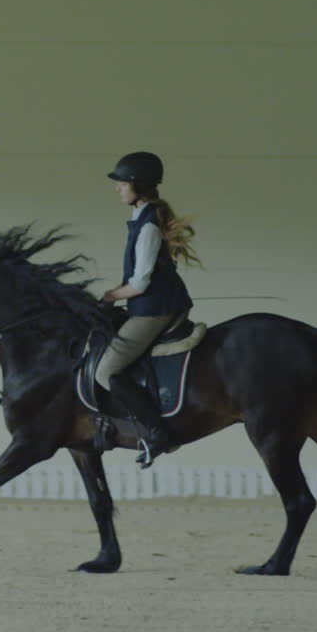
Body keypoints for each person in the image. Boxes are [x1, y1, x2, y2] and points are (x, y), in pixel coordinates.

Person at [97, 151, 200, 467]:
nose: (118, 188)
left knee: (106, 371)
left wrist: (111, 295)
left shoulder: (148, 228)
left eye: (122, 183)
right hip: (148, 303)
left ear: (138, 185)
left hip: (154, 308)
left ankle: (158, 433)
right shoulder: (140, 219)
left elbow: (140, 283)